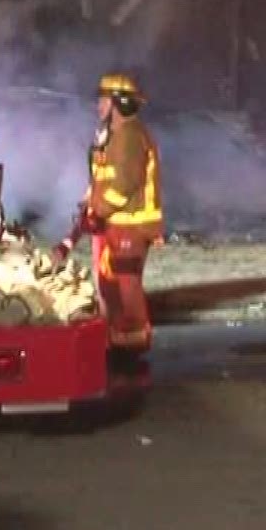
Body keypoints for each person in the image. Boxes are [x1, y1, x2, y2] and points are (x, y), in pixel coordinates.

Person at [84, 72, 164, 359]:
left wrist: (100, 209)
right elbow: (105, 177)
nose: (99, 106)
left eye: (104, 100)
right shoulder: (114, 135)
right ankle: (117, 338)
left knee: (126, 287)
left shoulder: (130, 135)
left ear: (120, 103)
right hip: (115, 224)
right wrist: (89, 202)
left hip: (129, 226)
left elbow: (126, 183)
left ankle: (130, 347)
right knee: (112, 285)